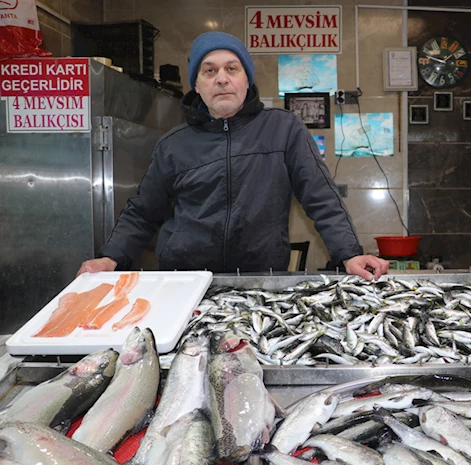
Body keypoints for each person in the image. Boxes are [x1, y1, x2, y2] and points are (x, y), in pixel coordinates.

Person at [77, 32, 388, 281]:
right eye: (209, 71)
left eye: (232, 68)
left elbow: (321, 197)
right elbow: (143, 213)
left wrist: (349, 253)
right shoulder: (173, 144)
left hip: (261, 281)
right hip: (185, 282)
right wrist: (111, 257)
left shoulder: (284, 129)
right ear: (197, 85)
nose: (222, 78)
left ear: (246, 80)